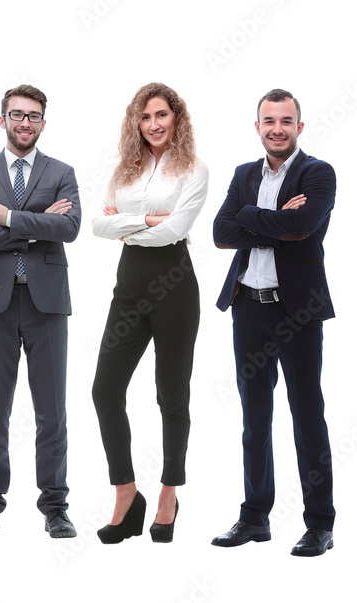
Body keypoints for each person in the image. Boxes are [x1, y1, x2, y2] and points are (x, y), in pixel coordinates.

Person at [210, 88, 336, 556]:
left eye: (286, 121)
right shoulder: (244, 174)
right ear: (258, 126)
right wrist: (271, 218)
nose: (277, 129)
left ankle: (320, 524)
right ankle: (255, 517)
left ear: (299, 127)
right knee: (254, 417)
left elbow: (302, 226)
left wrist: (255, 219)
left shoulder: (318, 172)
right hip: (248, 305)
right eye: (269, 121)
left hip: (297, 310)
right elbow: (222, 232)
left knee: (307, 418)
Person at [0, 84, 81, 538]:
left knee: (52, 411)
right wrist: (37, 225)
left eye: (33, 116)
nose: (25, 122)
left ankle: (55, 506)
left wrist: (8, 219)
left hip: (46, 301)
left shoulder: (62, 171)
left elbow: (68, 228)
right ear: (3, 120)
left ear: (43, 123)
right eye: (17, 115)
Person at [90, 82, 208, 544]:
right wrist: (151, 221)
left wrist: (134, 225)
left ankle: (168, 492)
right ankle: (126, 492)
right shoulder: (125, 170)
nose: (154, 125)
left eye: (161, 115)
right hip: (129, 284)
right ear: (135, 123)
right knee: (104, 389)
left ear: (175, 117)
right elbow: (98, 225)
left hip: (176, 284)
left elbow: (176, 229)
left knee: (171, 395)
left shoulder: (194, 169)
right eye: (145, 117)